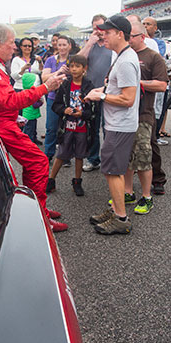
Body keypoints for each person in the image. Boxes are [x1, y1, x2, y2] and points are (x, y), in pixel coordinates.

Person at [0, 23, 67, 232]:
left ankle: (37, 209)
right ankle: (38, 215)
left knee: (20, 167)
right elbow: (8, 100)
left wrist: (14, 116)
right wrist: (45, 88)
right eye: (12, 43)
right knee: (37, 162)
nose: (15, 47)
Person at [85, 15, 140, 235]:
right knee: (112, 170)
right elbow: (117, 89)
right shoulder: (122, 55)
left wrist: (102, 97)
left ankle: (121, 218)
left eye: (107, 32)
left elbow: (128, 99)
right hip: (117, 124)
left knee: (112, 171)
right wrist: (103, 91)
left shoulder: (126, 60)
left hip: (120, 125)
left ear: (119, 33)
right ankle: (116, 209)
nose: (102, 35)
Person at [121, 19, 168, 215]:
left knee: (143, 158)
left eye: (130, 36)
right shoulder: (123, 55)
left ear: (141, 37)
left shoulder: (153, 57)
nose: (127, 39)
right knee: (126, 158)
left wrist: (138, 83)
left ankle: (147, 197)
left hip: (144, 115)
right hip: (124, 115)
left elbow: (162, 85)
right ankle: (128, 192)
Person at [46, 55, 96, 196]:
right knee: (61, 154)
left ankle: (77, 182)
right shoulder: (65, 85)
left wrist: (82, 114)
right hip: (66, 127)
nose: (74, 69)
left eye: (77, 66)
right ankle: (51, 181)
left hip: (82, 128)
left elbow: (93, 110)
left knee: (80, 156)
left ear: (84, 68)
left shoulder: (89, 86)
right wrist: (64, 110)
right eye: (72, 66)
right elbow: (56, 105)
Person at [77, 14, 114, 172]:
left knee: (108, 128)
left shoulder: (111, 45)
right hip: (91, 93)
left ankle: (109, 160)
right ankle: (93, 159)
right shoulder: (90, 45)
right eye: (95, 28)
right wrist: (90, 43)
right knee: (92, 128)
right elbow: (77, 62)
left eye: (100, 27)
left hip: (109, 93)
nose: (98, 31)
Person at [42, 35, 71, 161]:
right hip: (53, 97)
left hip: (69, 98)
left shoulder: (73, 60)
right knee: (51, 128)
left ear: (69, 46)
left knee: (68, 128)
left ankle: (66, 156)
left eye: (64, 44)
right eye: (60, 45)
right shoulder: (50, 60)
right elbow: (44, 78)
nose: (62, 47)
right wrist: (58, 72)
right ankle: (48, 154)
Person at [21, 72, 44, 145]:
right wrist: (41, 102)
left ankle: (34, 138)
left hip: (30, 115)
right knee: (29, 130)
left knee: (33, 128)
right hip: (29, 116)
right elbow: (35, 105)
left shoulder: (25, 91)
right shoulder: (30, 94)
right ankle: (29, 144)